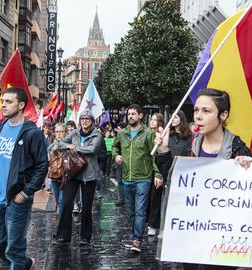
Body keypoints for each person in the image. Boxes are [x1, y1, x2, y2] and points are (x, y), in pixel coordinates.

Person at [155, 88, 252, 270]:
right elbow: (175, 182)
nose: (198, 116)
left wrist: (248, 168)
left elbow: (251, 203)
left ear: (223, 115)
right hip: (192, 238)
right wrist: (163, 151)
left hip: (224, 243)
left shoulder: (239, 150)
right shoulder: (190, 147)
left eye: (206, 111)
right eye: (196, 110)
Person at [0, 87, 48, 269]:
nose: (3, 105)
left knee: (15, 249)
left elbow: (42, 165)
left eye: (8, 102)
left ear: (20, 105)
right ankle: (24, 264)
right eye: (3, 101)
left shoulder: (32, 132)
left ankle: (18, 262)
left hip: (16, 199)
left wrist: (26, 193)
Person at [112, 104, 163, 253]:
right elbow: (115, 147)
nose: (130, 117)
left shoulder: (148, 133)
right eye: (129, 114)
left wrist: (157, 174)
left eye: (133, 114)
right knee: (132, 212)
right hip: (127, 178)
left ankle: (137, 241)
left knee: (140, 210)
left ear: (140, 116)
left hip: (143, 178)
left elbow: (153, 155)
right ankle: (135, 236)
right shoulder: (122, 133)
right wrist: (116, 156)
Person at [52, 110, 102, 246]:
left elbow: (92, 149)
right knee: (67, 203)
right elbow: (61, 143)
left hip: (89, 175)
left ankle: (85, 236)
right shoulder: (75, 133)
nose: (84, 121)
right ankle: (63, 235)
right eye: (82, 119)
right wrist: (68, 146)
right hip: (73, 173)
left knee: (87, 207)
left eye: (87, 119)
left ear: (92, 121)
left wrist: (75, 148)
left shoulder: (97, 134)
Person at [147, 110, 192, 236]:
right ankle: (154, 225)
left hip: (181, 172)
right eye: (171, 117)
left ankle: (169, 226)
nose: (173, 119)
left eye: (176, 117)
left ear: (182, 119)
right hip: (164, 169)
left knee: (172, 200)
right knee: (156, 197)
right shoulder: (167, 135)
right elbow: (159, 153)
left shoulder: (189, 137)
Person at [47, 123, 69, 216]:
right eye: (57, 132)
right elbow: (48, 161)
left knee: (61, 202)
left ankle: (62, 227)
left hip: (66, 177)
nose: (59, 134)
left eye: (61, 131)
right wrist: (52, 152)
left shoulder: (69, 145)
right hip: (55, 177)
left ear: (66, 133)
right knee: (58, 202)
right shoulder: (51, 146)